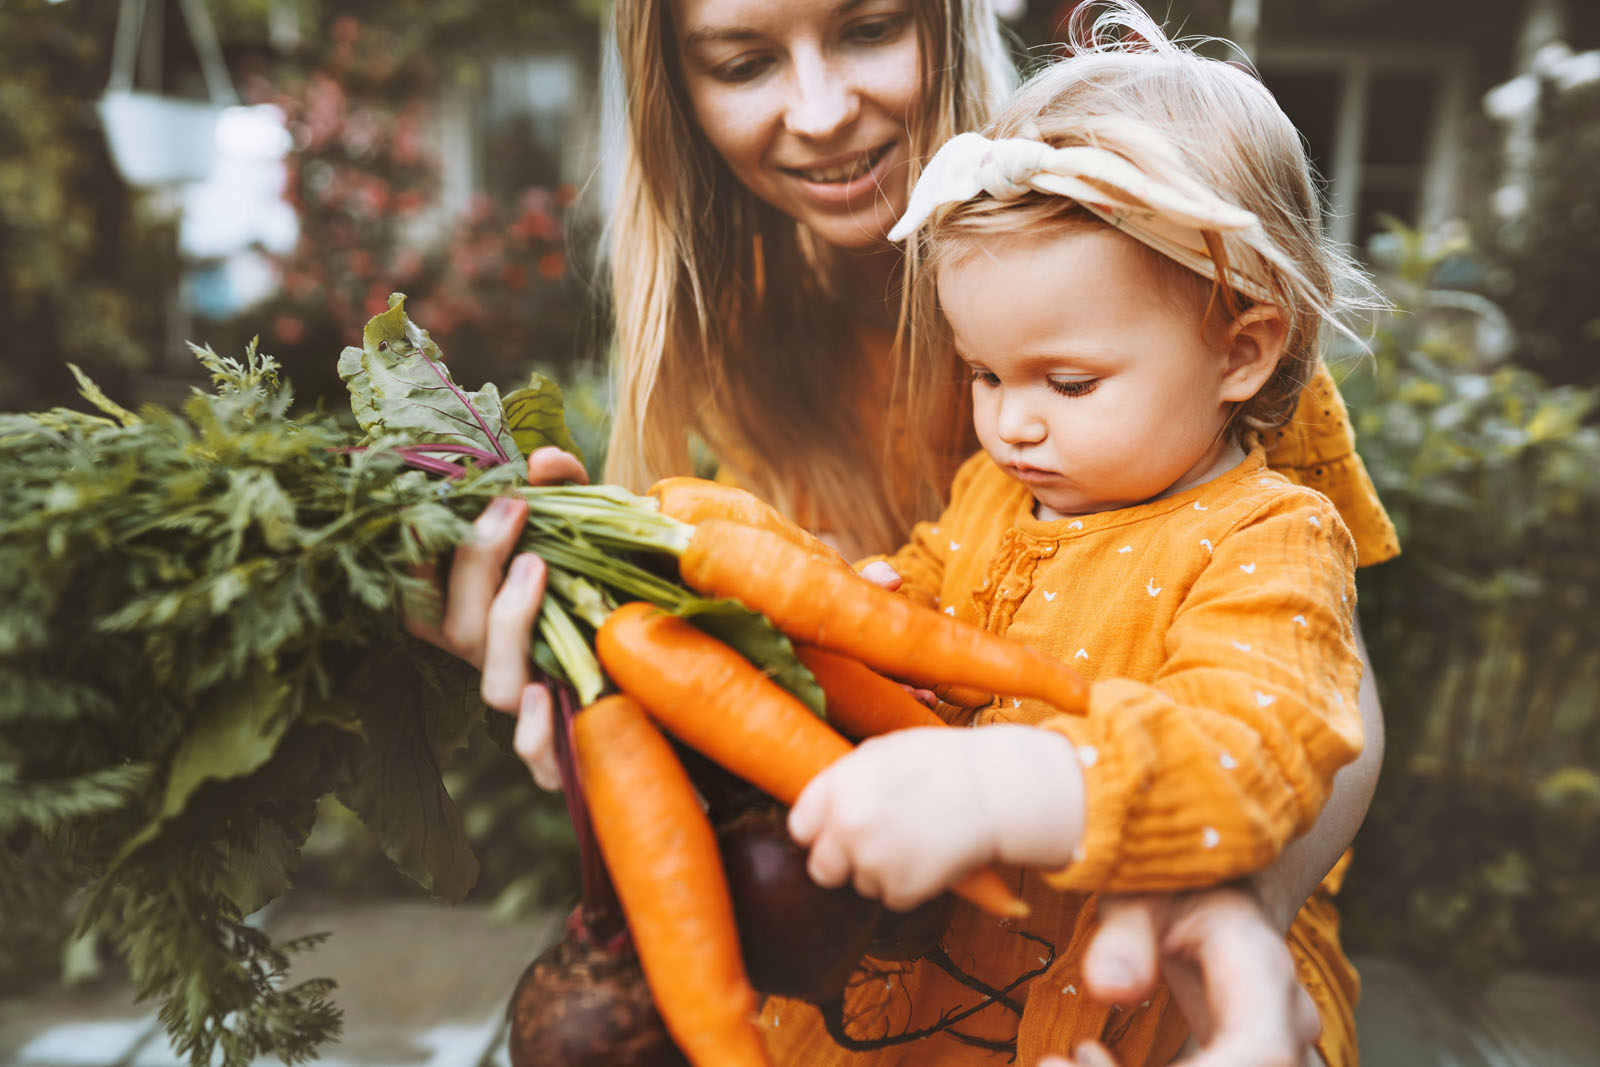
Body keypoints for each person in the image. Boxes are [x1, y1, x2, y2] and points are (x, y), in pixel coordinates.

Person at [412, 0, 1397, 1063]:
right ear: (680, 96)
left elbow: (1298, 708)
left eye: (868, 27)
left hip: (1147, 1007)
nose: (823, 110)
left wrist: (1068, 814)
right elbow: (873, 623)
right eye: (744, 60)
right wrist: (636, 660)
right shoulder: (958, 462)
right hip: (894, 992)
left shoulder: (1167, 253)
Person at [766, 10, 1375, 1061]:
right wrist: (840, 607)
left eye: (1070, 381)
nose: (1013, 420)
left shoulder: (1270, 539)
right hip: (924, 992)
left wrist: (1014, 784)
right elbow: (909, 594)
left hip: (1122, 1007)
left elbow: (1259, 746)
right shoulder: (995, 491)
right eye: (985, 373)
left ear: (1240, 350)